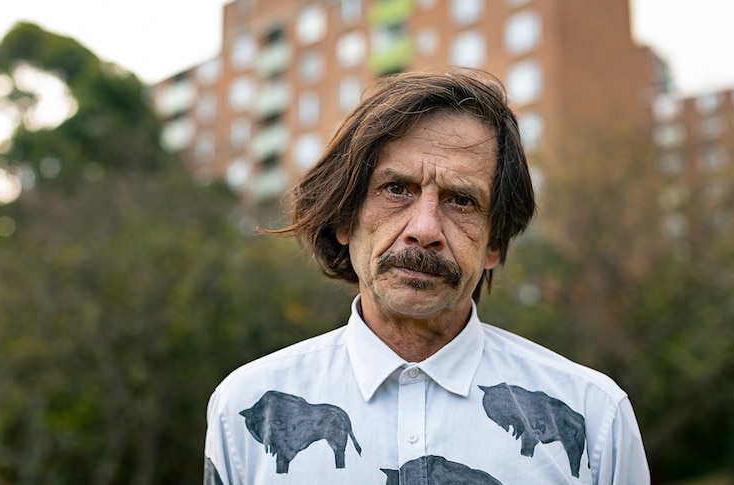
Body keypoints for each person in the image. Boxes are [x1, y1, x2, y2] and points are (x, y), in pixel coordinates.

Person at [204, 68, 649, 484]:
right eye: (396, 189)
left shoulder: (596, 417)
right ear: (345, 219)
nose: (425, 229)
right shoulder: (243, 407)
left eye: (461, 200)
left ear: (495, 243)